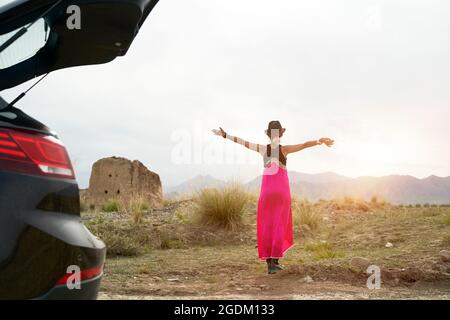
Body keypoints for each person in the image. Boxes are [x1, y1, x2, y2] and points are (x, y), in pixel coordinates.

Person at [212, 120, 334, 274]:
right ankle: (275, 261)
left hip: (267, 192)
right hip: (281, 191)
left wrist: (225, 135)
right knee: (279, 223)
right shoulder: (285, 150)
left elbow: (243, 143)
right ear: (281, 134)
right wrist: (319, 141)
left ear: (269, 135)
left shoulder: (263, 149)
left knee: (267, 224)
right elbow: (303, 145)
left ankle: (270, 263)